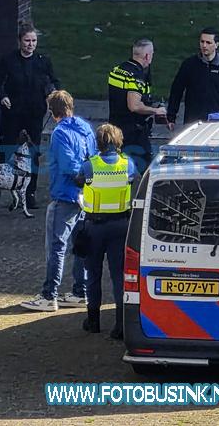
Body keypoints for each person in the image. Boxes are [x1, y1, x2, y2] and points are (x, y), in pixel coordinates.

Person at [20, 91, 96, 312]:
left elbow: (68, 166)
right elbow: (92, 159)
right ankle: (80, 292)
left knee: (56, 247)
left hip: (65, 196)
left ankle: (49, 295)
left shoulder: (60, 133)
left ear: (52, 112)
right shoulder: (85, 128)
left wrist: (78, 178)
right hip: (85, 196)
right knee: (80, 246)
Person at [75, 123, 136, 340]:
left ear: (98, 143)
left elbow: (78, 181)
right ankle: (120, 325)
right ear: (118, 141)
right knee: (119, 275)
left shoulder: (90, 165)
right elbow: (135, 181)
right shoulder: (128, 164)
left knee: (93, 274)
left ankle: (93, 321)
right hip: (120, 226)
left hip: (94, 227)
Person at [0, 22, 60, 209]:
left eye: (34, 41)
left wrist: (52, 96)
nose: (31, 44)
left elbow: (54, 82)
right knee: (6, 150)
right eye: (27, 41)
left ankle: (30, 193)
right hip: (12, 114)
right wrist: (2, 96)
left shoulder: (43, 61)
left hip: (34, 114)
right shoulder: (8, 60)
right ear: (20, 41)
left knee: (33, 153)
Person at [107, 39, 166, 174]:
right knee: (146, 171)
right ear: (147, 56)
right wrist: (156, 110)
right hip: (133, 134)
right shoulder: (136, 76)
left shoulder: (117, 70)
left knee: (117, 169)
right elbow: (134, 106)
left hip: (114, 129)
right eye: (152, 53)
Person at [166, 27, 219, 129]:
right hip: (192, 121)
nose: (204, 45)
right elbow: (176, 91)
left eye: (208, 42)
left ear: (216, 44)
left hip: (216, 121)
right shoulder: (189, 65)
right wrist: (171, 117)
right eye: (202, 42)